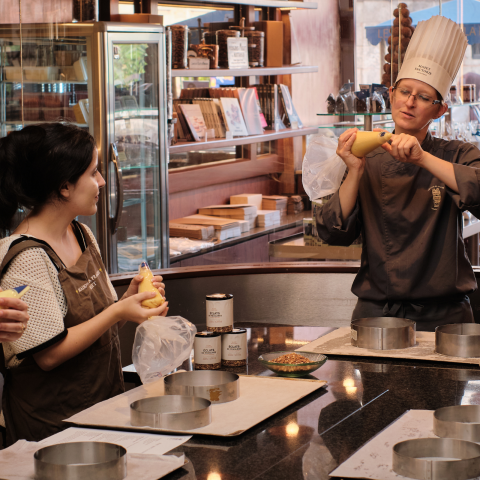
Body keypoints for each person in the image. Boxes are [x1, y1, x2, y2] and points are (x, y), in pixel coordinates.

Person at [0, 122, 169, 446]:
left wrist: (129, 301)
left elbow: (96, 331)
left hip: (101, 409)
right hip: (53, 428)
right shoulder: (28, 258)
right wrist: (118, 311)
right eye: (93, 173)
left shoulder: (81, 234)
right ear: (64, 186)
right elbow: (50, 355)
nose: (102, 182)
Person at [316, 16, 480, 331]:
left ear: (440, 109)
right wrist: (353, 170)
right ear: (391, 93)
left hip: (446, 317)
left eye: (423, 97)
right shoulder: (365, 156)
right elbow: (332, 232)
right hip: (378, 315)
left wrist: (423, 159)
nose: (410, 102)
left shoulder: (457, 154)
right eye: (405, 91)